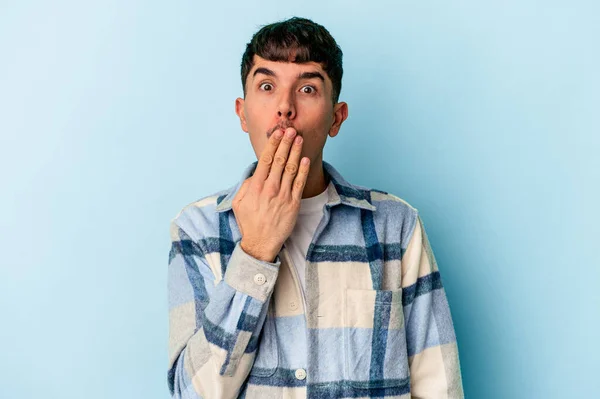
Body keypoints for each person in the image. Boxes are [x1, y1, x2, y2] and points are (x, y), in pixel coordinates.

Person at [167, 16, 464, 399]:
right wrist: (255, 252)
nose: (285, 108)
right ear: (242, 112)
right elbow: (189, 394)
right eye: (267, 86)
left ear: (336, 118)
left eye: (307, 88)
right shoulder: (197, 230)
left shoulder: (397, 226)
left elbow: (439, 386)